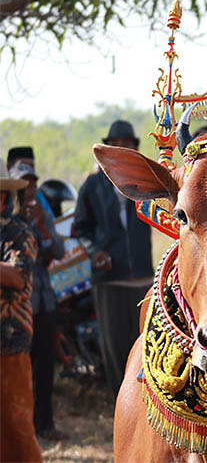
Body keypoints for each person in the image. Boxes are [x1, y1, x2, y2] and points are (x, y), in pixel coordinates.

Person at [73, 120, 153, 398]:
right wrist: (96, 253)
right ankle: (117, 402)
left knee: (143, 345)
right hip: (110, 281)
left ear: (134, 149)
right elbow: (80, 227)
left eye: (127, 145)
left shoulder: (144, 183)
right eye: (115, 145)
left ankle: (144, 401)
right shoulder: (93, 186)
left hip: (142, 278)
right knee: (114, 344)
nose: (121, 150)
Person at [9, 161, 67, 440]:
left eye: (32, 183)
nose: (29, 189)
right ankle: (22, 430)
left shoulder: (42, 214)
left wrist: (43, 226)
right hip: (17, 307)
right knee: (18, 369)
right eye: (24, 184)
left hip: (44, 302)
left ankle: (45, 424)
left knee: (45, 365)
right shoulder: (7, 219)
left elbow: (59, 250)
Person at [0, 158, 43, 462]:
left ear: (3, 196)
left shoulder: (19, 233)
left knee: (15, 425)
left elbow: (17, 276)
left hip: (9, 342)